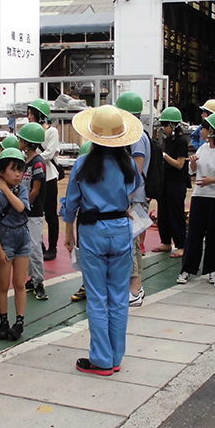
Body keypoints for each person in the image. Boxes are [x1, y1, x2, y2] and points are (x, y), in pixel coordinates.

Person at [64, 105, 140, 375]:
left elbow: (72, 202)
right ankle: (116, 357)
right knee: (118, 297)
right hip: (121, 229)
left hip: (92, 231)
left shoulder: (83, 164)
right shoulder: (127, 163)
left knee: (97, 298)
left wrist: (67, 231)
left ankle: (101, 359)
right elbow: (134, 192)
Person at [0, 148, 31, 341]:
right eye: (13, 169)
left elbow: (21, 207)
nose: (18, 174)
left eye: (20, 170)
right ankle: (3, 321)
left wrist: (5, 189)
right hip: (4, 239)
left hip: (22, 237)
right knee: (3, 285)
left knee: (19, 283)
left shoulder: (22, 190)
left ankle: (19, 322)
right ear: (1, 172)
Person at [177, 112, 215, 284]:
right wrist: (192, 162)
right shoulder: (202, 148)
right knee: (194, 234)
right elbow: (193, 170)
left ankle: (213, 270)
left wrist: (212, 180)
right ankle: (186, 270)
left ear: (213, 131)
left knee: (214, 235)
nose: (201, 131)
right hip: (199, 196)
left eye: (205, 128)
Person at [115, 92, 150, 305]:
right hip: (135, 196)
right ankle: (137, 288)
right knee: (134, 243)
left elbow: (136, 170)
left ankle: (134, 289)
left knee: (131, 242)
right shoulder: (140, 135)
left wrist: (126, 196)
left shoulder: (136, 136)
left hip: (134, 198)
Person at [153, 107, 190, 258]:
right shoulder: (168, 140)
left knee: (176, 214)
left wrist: (164, 156)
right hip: (166, 181)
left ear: (173, 125)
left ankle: (181, 244)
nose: (164, 128)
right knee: (164, 213)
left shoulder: (181, 141)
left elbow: (180, 164)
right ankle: (166, 242)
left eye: (165, 125)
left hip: (177, 182)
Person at [18, 122, 49, 301]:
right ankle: (31, 278)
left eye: (21, 139)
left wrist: (24, 206)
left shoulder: (38, 163)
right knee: (26, 246)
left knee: (35, 247)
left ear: (28, 142)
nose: (19, 141)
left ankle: (39, 282)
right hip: (24, 211)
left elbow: (35, 190)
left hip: (33, 212)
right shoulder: (24, 161)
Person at [28, 99, 61, 261]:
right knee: (35, 213)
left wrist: (34, 158)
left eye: (31, 113)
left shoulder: (52, 132)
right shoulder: (28, 131)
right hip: (35, 177)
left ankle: (53, 247)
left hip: (49, 177)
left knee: (50, 214)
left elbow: (49, 153)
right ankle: (38, 244)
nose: (28, 117)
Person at [70, 141, 92, 303]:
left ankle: (92, 286)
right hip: (86, 219)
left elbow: (70, 200)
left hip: (92, 224)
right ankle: (87, 284)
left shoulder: (119, 163)